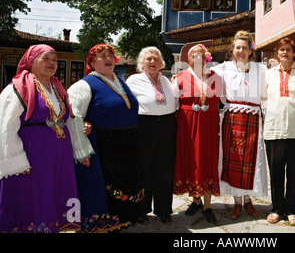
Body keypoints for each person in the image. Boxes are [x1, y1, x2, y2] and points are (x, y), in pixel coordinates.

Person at [0, 44, 85, 233]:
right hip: (32, 156)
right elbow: (5, 126)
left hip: (59, 156)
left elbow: (69, 120)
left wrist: (79, 150)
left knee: (55, 194)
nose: (52, 63)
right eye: (45, 58)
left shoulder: (59, 89)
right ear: (31, 61)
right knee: (35, 197)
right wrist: (16, 161)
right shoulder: (16, 88)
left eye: (54, 60)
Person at [68, 43, 146, 232]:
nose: (108, 59)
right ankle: (104, 224)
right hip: (103, 147)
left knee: (125, 188)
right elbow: (75, 117)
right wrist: (81, 151)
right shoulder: (84, 85)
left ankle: (123, 219)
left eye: (111, 55)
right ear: (92, 62)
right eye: (102, 56)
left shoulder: (121, 82)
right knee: (102, 190)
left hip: (126, 146)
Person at [212, 30, 268, 219]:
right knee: (232, 161)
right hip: (232, 118)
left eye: (244, 48)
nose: (241, 51)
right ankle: (237, 203)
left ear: (251, 50)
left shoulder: (261, 69)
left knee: (251, 162)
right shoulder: (224, 68)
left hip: (252, 118)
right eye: (237, 48)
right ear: (233, 50)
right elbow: (202, 74)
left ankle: (248, 201)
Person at [263, 38, 295, 226]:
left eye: (288, 50)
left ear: (294, 53)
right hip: (274, 131)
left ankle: (292, 210)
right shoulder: (269, 74)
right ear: (277, 53)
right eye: (281, 50)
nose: (285, 53)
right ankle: (277, 209)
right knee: (275, 173)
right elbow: (262, 98)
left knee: (294, 173)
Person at [126, 47, 177, 224]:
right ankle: (141, 210)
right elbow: (123, 101)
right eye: (148, 59)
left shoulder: (168, 81)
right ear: (142, 63)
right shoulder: (134, 80)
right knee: (144, 169)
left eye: (156, 58)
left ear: (162, 63)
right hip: (144, 127)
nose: (152, 61)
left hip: (168, 126)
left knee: (164, 170)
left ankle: (164, 210)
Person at [172, 44, 222, 223]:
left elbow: (225, 100)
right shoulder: (179, 77)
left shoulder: (216, 78)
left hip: (208, 124)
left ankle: (207, 205)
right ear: (189, 59)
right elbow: (173, 104)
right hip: (188, 125)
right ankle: (196, 199)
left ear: (207, 58)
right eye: (194, 56)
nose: (198, 59)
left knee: (207, 159)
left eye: (202, 56)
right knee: (193, 160)